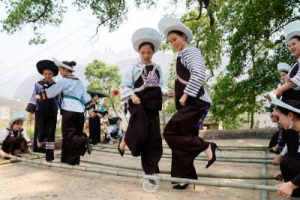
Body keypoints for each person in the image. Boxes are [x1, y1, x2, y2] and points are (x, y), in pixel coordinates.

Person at [158, 17, 220, 189]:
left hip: (197, 102)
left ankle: (207, 146)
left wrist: (184, 96)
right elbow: (185, 79)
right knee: (183, 139)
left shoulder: (191, 51)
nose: (173, 43)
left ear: (183, 36)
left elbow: (199, 74)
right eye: (171, 42)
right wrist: (175, 93)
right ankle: (184, 178)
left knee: (170, 132)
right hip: (190, 102)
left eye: (175, 39)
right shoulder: (182, 55)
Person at [119, 27, 174, 175]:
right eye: (143, 53)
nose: (146, 55)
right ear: (139, 52)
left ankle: (152, 170)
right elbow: (124, 86)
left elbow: (160, 85)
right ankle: (126, 140)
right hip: (138, 103)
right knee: (141, 133)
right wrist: (132, 97)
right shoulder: (133, 68)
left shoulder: (157, 68)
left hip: (153, 105)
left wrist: (167, 91)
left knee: (153, 137)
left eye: (149, 53)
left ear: (153, 53)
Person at [35, 58, 92, 165]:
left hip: (69, 110)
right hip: (79, 111)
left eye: (60, 70)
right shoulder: (79, 81)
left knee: (68, 136)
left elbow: (52, 91)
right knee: (76, 133)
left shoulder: (65, 80)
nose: (60, 73)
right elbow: (86, 98)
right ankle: (72, 160)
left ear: (65, 70)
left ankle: (84, 141)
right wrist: (91, 109)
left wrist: (40, 95)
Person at [26, 60, 60, 162]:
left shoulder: (56, 85)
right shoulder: (38, 84)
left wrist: (62, 110)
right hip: (40, 111)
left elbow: (59, 99)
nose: (47, 75)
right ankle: (40, 143)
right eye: (45, 73)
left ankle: (49, 157)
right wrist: (31, 111)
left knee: (50, 133)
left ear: (53, 74)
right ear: (42, 73)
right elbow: (33, 97)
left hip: (52, 111)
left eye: (50, 74)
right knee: (41, 132)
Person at [268, 93, 300, 198]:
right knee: (289, 158)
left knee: (288, 160)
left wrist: (291, 185)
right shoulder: (296, 132)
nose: (279, 121)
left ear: (290, 116)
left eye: (280, 117)